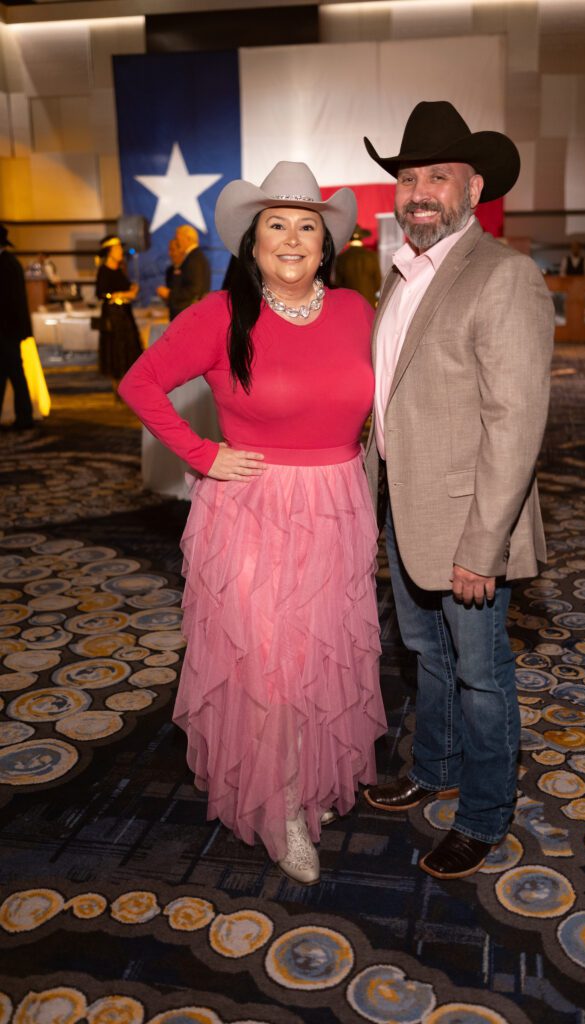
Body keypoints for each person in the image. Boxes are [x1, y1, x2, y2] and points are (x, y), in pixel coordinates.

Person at [119, 162, 386, 885]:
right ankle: (281, 805)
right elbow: (139, 383)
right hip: (252, 512)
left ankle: (309, 777)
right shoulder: (219, 314)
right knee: (270, 665)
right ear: (253, 241)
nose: (292, 238)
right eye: (276, 224)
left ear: (326, 245)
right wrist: (203, 454)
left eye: (307, 226)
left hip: (337, 508)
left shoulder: (357, 312)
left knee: (323, 655)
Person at [361, 101, 554, 879]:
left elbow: (515, 422)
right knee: (424, 654)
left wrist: (482, 546)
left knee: (481, 676)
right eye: (408, 178)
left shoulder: (503, 275)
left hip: (471, 523)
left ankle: (481, 815)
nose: (418, 192)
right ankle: (433, 768)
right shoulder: (400, 276)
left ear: (473, 189)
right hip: (404, 510)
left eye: (437, 176)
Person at [95, 236, 142, 394]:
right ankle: (119, 387)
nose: (121, 251)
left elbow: (127, 288)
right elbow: (101, 293)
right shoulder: (103, 270)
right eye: (118, 248)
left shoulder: (121, 270)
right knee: (116, 348)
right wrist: (120, 294)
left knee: (129, 347)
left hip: (125, 314)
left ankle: (130, 385)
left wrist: (133, 289)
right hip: (113, 315)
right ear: (110, 252)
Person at [0, 224, 34, 432]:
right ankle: (24, 416)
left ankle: (25, 417)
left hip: (7, 331)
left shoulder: (7, 265)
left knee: (14, 374)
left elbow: (10, 302)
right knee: (10, 373)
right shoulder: (10, 263)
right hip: (9, 331)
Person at [162, 224, 211, 320]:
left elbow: (194, 290)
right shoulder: (194, 257)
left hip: (190, 315)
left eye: (177, 238)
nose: (176, 241)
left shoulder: (194, 259)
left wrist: (169, 294)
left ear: (188, 239)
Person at [334, 225, 382, 306]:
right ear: (362, 237)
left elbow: (338, 284)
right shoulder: (371, 256)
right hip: (368, 303)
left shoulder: (341, 258)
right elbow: (378, 282)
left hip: (349, 303)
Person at [156, 236, 183, 309]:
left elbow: (190, 293)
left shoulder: (189, 268)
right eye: (169, 250)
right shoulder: (169, 271)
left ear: (181, 250)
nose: (170, 253)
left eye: (173, 250)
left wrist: (169, 294)